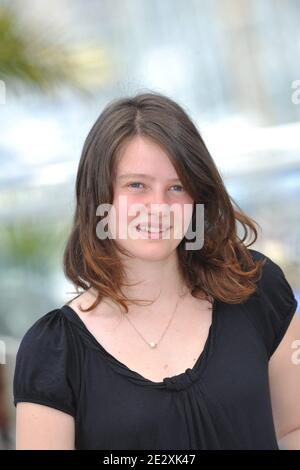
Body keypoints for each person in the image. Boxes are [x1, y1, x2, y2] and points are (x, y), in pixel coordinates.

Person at [13, 92, 300, 450]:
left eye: (177, 187)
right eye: (137, 185)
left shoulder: (254, 287)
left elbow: (293, 430)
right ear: (99, 195)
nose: (159, 208)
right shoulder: (53, 351)